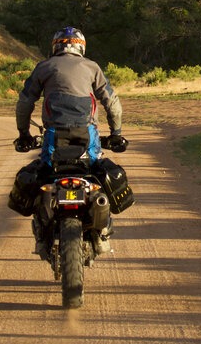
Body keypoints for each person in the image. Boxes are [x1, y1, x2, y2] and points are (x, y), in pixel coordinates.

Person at [14, 26, 127, 258]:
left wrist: (24, 133)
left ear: (55, 46)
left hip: (54, 137)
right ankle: (103, 230)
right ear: (81, 47)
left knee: (43, 175)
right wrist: (116, 132)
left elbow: (25, 102)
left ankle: (42, 235)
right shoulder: (92, 67)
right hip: (88, 137)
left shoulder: (44, 67)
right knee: (97, 172)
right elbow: (112, 102)